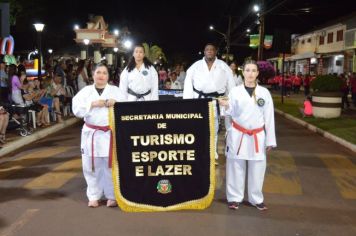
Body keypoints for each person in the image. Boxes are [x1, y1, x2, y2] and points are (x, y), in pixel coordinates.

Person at [218, 60, 276, 211]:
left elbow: (269, 117)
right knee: (235, 166)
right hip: (238, 134)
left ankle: (256, 198)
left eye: (253, 70)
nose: (250, 73)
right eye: (248, 70)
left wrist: (270, 140)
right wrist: (225, 107)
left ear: (257, 73)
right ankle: (234, 198)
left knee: (258, 168)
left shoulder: (264, 93)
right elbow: (229, 113)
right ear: (243, 72)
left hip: (257, 135)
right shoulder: (235, 91)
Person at [72, 63, 124, 208]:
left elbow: (126, 109)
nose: (101, 75)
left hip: (109, 133)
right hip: (92, 133)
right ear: (93, 74)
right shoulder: (85, 92)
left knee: (110, 165)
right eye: (98, 72)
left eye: (104, 73)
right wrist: (93, 104)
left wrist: (117, 104)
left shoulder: (116, 91)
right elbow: (76, 109)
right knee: (90, 165)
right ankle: (94, 195)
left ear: (108, 76)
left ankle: (111, 195)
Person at [183, 43, 235, 164]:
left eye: (212, 49)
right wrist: (188, 103)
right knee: (198, 128)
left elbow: (231, 86)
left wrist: (230, 102)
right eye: (207, 49)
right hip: (198, 100)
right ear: (204, 52)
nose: (210, 51)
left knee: (214, 128)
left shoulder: (223, 66)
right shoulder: (195, 66)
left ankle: (212, 155)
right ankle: (199, 153)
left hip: (215, 101)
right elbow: (188, 85)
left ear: (216, 51)